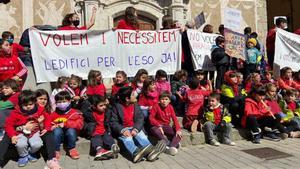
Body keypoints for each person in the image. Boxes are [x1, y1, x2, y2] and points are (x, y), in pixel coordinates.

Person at [0, 89, 61, 169]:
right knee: (8, 134)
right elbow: (9, 125)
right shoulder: (16, 112)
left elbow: (48, 118)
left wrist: (46, 128)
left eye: (30, 104)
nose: (28, 107)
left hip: (36, 133)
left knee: (48, 133)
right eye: (25, 105)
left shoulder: (40, 110)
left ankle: (51, 159)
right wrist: (14, 134)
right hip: (20, 133)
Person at [109, 86, 166, 163]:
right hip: (124, 129)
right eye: (133, 94)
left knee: (142, 136)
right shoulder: (116, 107)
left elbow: (140, 118)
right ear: (127, 99)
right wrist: (122, 130)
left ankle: (151, 152)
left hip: (134, 127)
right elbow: (113, 122)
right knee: (128, 139)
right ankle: (135, 153)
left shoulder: (135, 105)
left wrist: (136, 129)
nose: (135, 94)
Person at [80, 95, 119, 160]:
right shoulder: (90, 113)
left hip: (104, 130)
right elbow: (84, 111)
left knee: (108, 137)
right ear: (94, 107)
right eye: (101, 106)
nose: (104, 107)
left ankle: (113, 146)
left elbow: (110, 109)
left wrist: (108, 105)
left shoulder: (107, 111)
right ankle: (99, 150)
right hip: (94, 131)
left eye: (104, 105)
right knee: (96, 139)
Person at [51, 91, 83, 160]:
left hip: (71, 136)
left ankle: (72, 149)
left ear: (69, 101)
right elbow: (49, 124)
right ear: (56, 103)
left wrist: (66, 124)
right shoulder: (53, 114)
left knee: (71, 130)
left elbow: (80, 124)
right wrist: (52, 127)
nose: (62, 103)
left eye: (64, 101)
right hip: (59, 137)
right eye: (59, 102)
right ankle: (56, 150)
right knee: (56, 131)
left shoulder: (75, 112)